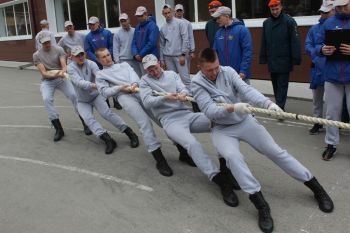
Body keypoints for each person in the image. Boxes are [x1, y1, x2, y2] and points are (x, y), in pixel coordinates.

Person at [191, 48, 334, 233]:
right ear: (200, 67)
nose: (214, 72)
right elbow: (209, 111)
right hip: (221, 128)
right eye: (209, 70)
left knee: (275, 152)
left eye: (216, 67)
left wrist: (269, 104)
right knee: (233, 157)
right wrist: (233, 107)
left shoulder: (228, 72)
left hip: (244, 121)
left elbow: (246, 90)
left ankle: (316, 187)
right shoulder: (196, 83)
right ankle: (260, 205)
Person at [139, 53, 239, 208]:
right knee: (192, 144)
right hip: (170, 121)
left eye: (155, 67)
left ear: (159, 63)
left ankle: (225, 169)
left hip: (186, 114)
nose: (153, 71)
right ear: (146, 71)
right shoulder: (144, 82)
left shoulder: (172, 74)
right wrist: (166, 98)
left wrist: (184, 94)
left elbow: (185, 89)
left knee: (218, 122)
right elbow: (146, 102)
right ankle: (219, 180)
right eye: (149, 70)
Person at [95, 48, 194, 176]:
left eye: (108, 54)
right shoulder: (100, 75)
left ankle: (183, 151)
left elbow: (135, 77)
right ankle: (160, 160)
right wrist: (119, 88)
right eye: (103, 57)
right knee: (145, 124)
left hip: (138, 90)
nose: (107, 58)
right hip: (124, 96)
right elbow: (104, 92)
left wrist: (135, 84)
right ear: (98, 59)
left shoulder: (124, 65)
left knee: (162, 119)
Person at [67, 46, 139, 154]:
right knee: (88, 119)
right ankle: (108, 139)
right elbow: (79, 82)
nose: (80, 57)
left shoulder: (91, 64)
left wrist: (104, 84)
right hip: (82, 100)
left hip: (96, 96)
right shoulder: (70, 68)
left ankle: (129, 132)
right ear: (72, 57)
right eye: (77, 55)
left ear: (85, 54)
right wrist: (97, 85)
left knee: (107, 114)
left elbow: (100, 75)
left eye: (82, 54)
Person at [33, 32, 91, 141]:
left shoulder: (58, 49)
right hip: (47, 80)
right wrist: (56, 73)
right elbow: (44, 73)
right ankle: (58, 128)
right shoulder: (36, 55)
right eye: (45, 43)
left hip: (61, 78)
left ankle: (85, 123)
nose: (47, 44)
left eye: (48, 41)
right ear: (41, 43)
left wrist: (61, 73)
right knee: (46, 99)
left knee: (74, 95)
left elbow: (64, 66)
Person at [315, 0, 350, 161]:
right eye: (338, 7)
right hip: (332, 76)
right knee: (331, 113)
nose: (341, 9)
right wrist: (322, 50)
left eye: (345, 5)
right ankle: (331, 144)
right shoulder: (328, 22)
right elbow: (317, 45)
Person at [259, 0, 301, 111]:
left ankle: (280, 108)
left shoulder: (289, 21)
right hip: (272, 59)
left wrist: (296, 58)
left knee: (282, 86)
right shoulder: (266, 23)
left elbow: (295, 41)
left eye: (277, 9)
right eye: (272, 9)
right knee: (276, 85)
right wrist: (263, 57)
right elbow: (264, 41)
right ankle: (279, 105)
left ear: (281, 7)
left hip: (284, 60)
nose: (275, 11)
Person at [305, 1, 335, 135]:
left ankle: (333, 124)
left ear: (333, 11)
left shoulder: (338, 27)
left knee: (332, 102)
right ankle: (317, 122)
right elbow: (308, 47)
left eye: (326, 12)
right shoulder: (314, 29)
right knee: (317, 99)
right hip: (317, 70)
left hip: (332, 70)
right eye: (322, 12)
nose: (323, 14)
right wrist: (318, 56)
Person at [84, 16, 121, 110]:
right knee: (102, 82)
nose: (91, 26)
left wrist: (108, 56)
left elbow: (111, 46)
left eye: (93, 24)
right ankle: (106, 101)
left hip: (109, 62)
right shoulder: (88, 37)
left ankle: (116, 101)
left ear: (98, 23)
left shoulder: (107, 33)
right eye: (90, 25)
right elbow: (88, 50)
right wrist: (97, 59)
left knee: (113, 80)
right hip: (97, 63)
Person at [212, 6, 252, 84]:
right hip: (223, 76)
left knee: (244, 96)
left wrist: (243, 71)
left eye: (219, 18)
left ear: (227, 16)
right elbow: (214, 53)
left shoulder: (242, 30)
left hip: (240, 75)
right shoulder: (218, 33)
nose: (217, 21)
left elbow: (247, 52)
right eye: (216, 19)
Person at [132, 6, 159, 76]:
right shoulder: (137, 27)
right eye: (138, 16)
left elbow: (151, 43)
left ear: (146, 14)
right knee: (144, 78)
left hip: (150, 58)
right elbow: (134, 42)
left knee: (153, 77)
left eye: (141, 15)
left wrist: (140, 54)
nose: (139, 18)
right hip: (140, 58)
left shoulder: (152, 26)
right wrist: (135, 54)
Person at [113, 13, 143, 77]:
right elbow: (115, 48)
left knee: (138, 77)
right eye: (121, 21)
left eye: (125, 21)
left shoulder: (135, 31)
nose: (123, 23)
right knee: (125, 78)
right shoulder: (117, 33)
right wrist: (117, 62)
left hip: (135, 60)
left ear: (128, 20)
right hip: (123, 60)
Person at [174, 4, 196, 71]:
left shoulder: (187, 23)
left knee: (186, 69)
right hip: (174, 50)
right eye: (178, 11)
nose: (179, 12)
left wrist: (192, 50)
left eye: (180, 11)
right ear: (175, 12)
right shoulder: (172, 22)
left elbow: (191, 37)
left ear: (183, 11)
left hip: (186, 50)